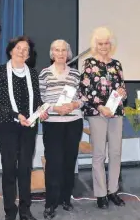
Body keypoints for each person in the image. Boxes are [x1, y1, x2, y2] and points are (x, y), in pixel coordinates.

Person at [0, 36, 48, 220]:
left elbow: (37, 99)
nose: (22, 51)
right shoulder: (0, 72)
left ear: (29, 55)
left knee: (24, 169)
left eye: (26, 50)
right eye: (19, 48)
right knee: (9, 169)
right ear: (10, 50)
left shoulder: (32, 73)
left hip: (28, 127)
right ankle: (10, 211)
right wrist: (16, 115)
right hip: (7, 126)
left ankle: (25, 210)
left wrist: (41, 110)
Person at [80, 27, 126, 209]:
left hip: (116, 113)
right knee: (99, 154)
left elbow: (122, 88)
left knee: (115, 153)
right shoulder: (89, 64)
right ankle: (100, 194)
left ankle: (113, 190)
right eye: (100, 43)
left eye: (107, 43)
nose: (104, 46)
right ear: (95, 45)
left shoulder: (117, 64)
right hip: (97, 113)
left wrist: (122, 93)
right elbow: (85, 90)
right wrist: (101, 107)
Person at [39, 40, 83, 219]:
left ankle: (66, 199)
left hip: (73, 122)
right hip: (52, 124)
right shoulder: (44, 74)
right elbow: (40, 101)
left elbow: (83, 98)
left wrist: (73, 104)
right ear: (52, 53)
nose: (61, 53)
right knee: (53, 164)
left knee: (69, 162)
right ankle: (50, 203)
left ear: (68, 53)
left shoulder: (75, 74)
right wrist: (55, 108)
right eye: (57, 50)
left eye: (64, 50)